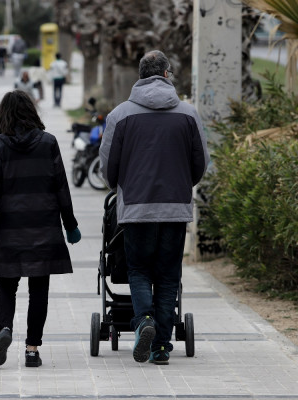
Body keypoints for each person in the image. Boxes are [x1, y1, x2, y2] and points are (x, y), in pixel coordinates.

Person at [99, 50, 210, 365]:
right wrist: (181, 184)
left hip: (136, 207)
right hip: (175, 207)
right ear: (166, 74)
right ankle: (161, 346)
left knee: (138, 269)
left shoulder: (120, 115)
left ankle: (144, 320)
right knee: (167, 274)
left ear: (140, 75)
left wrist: (119, 186)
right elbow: (200, 162)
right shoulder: (188, 114)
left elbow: (108, 167)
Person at [0, 90, 82, 368]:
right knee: (39, 289)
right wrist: (70, 225)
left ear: (4, 115)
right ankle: (32, 350)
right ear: (32, 111)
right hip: (44, 226)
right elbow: (61, 187)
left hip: (11, 227)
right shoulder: (48, 143)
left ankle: (5, 329)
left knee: (6, 285)